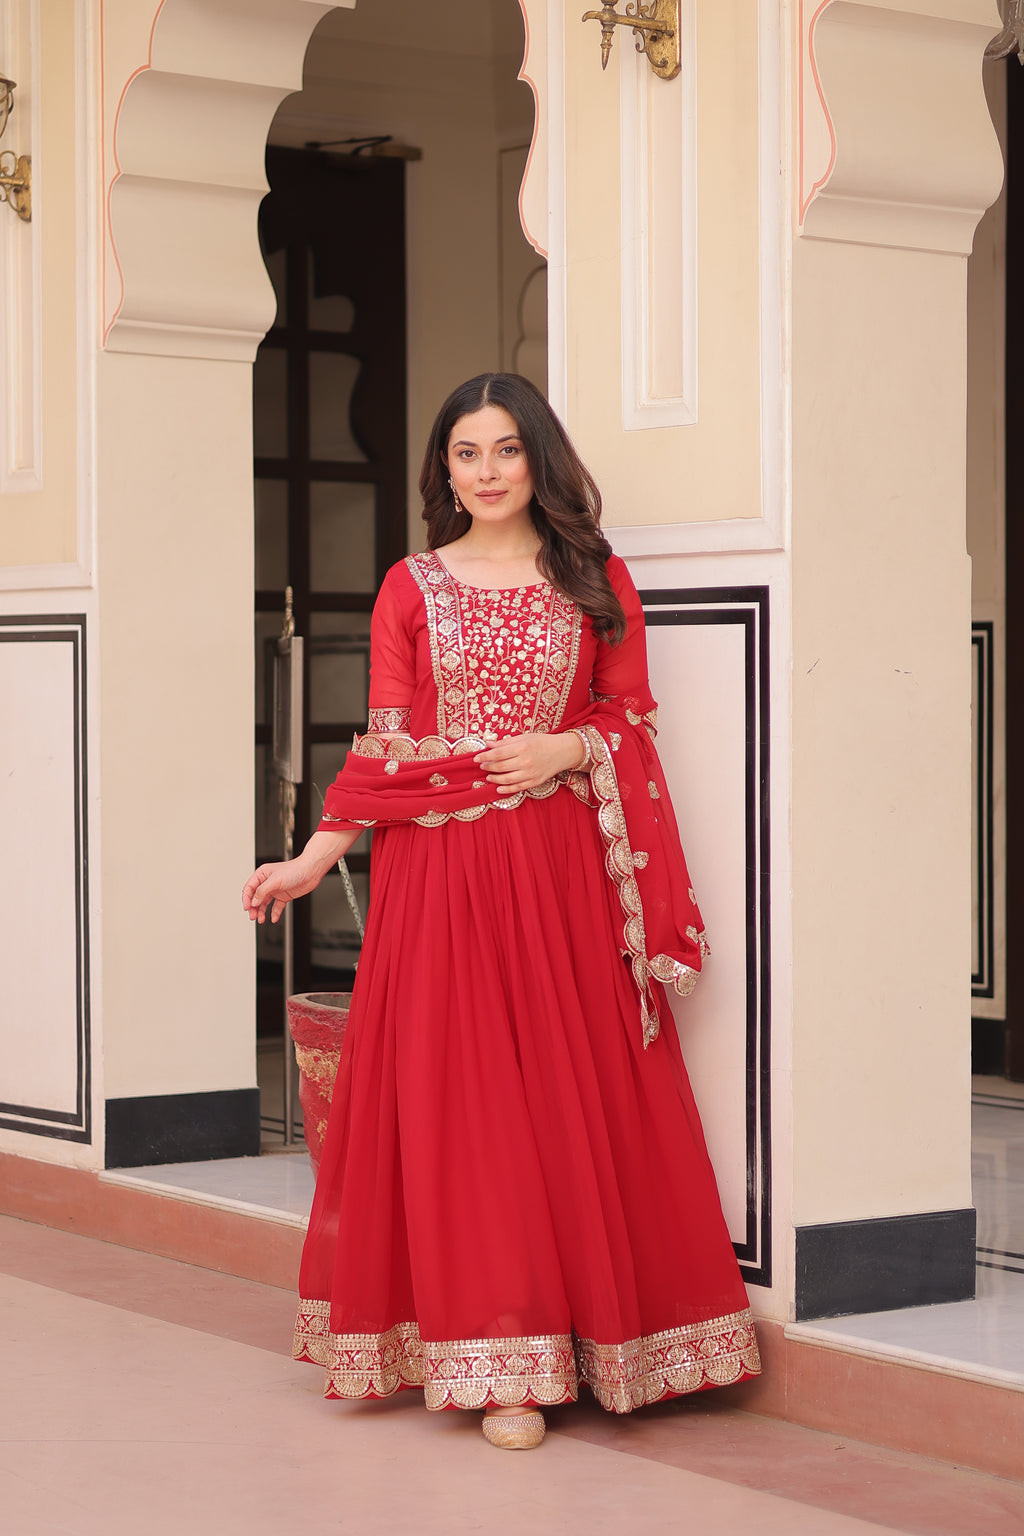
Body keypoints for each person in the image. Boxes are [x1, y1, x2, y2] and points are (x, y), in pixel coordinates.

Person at [242, 373, 760, 1451]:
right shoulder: (410, 587)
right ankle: (498, 1363)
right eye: (465, 453)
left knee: (567, 1090)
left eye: (506, 451)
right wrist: (312, 857)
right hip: (437, 881)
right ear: (444, 469)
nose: (484, 472)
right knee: (463, 1100)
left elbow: (629, 716)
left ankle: (598, 1342)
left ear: (539, 460)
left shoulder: (592, 575)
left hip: (561, 869)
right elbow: (386, 748)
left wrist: (572, 746)